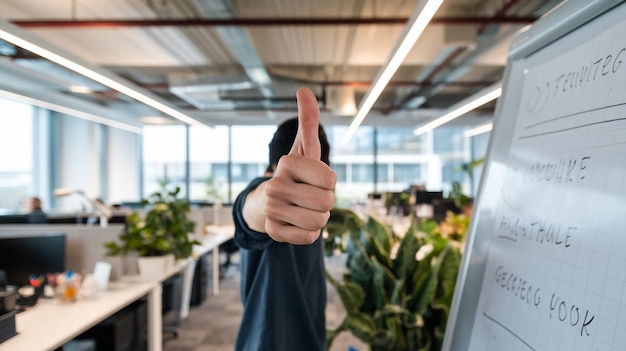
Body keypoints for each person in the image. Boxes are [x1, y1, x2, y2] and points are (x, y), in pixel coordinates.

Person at [232, 87, 337, 351]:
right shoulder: (269, 193)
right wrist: (266, 200)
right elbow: (250, 215)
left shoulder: (304, 202)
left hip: (307, 332)